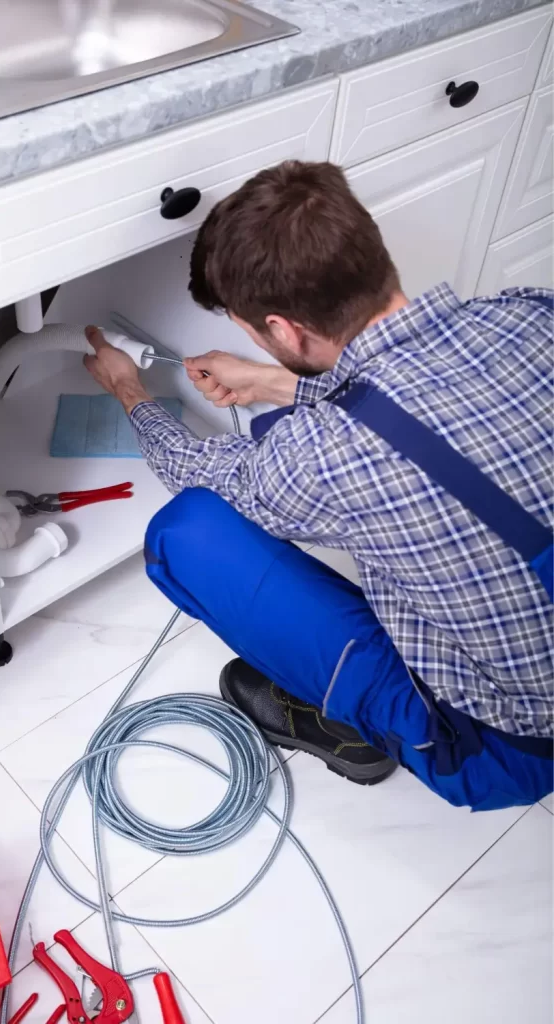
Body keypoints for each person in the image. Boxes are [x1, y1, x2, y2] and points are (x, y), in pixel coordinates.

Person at [83, 160, 553, 812]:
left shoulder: (317, 459)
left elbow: (191, 469)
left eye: (251, 329)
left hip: (509, 749)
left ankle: (355, 730)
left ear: (282, 329)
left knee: (187, 533)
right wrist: (279, 382)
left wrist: (128, 390)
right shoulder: (527, 314)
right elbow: (417, 411)